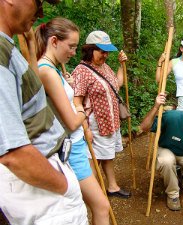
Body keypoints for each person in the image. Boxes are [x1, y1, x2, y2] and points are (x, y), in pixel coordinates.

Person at [0, 1, 88, 225]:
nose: (40, 12)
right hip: (44, 186)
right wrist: (64, 186)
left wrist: (29, 43)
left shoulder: (7, 49)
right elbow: (12, 152)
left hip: (46, 178)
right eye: (37, 2)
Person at [35, 18, 110, 225]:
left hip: (76, 144)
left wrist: (67, 86)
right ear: (54, 41)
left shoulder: (54, 69)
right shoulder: (46, 71)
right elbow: (71, 120)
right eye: (71, 46)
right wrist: (82, 111)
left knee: (94, 204)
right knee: (102, 207)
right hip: (72, 148)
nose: (74, 52)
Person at [72, 30, 131, 198]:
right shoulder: (82, 71)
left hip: (110, 122)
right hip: (95, 124)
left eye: (107, 51)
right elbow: (77, 102)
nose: (105, 55)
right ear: (90, 49)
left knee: (107, 156)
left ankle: (112, 186)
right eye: (101, 51)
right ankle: (94, 194)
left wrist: (121, 65)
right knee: (94, 160)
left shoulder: (104, 67)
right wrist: (86, 129)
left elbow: (117, 84)